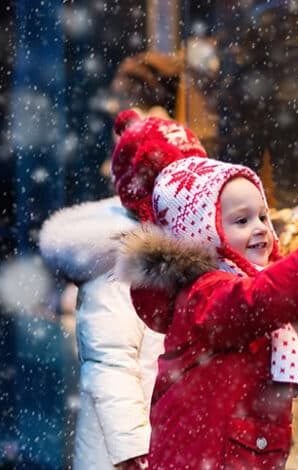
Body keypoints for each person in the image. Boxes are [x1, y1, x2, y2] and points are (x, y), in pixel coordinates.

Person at [112, 108, 298, 468]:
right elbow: (255, 302)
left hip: (238, 448)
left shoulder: (237, 285)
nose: (261, 228)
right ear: (203, 231)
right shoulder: (205, 291)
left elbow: (264, 312)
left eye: (263, 216)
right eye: (241, 220)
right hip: (210, 453)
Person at [38, 111, 208, 470]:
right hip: (126, 452)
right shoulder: (121, 260)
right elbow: (109, 363)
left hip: (166, 437)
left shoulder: (176, 251)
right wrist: (134, 449)